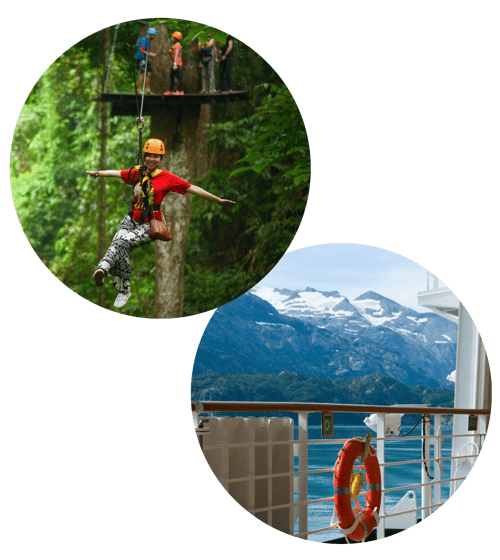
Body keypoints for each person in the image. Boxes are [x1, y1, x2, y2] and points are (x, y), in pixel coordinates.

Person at [86, 138, 236, 308]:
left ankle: (123, 289)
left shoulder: (167, 178)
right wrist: (98, 173)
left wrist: (217, 200)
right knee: (118, 241)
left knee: (124, 242)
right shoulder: (137, 172)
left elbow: (191, 188)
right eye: (149, 155)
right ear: (144, 156)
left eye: (156, 156)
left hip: (150, 224)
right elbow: (117, 173)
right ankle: (102, 270)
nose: (152, 159)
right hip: (131, 219)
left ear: (161, 159)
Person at [135, 27, 157, 94]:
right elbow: (142, 50)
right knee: (142, 73)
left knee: (149, 73)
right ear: (150, 34)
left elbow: (146, 50)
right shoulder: (144, 40)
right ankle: (138, 90)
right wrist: (150, 55)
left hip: (145, 58)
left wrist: (151, 54)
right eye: (153, 35)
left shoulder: (148, 41)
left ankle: (146, 89)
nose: (154, 37)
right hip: (140, 58)